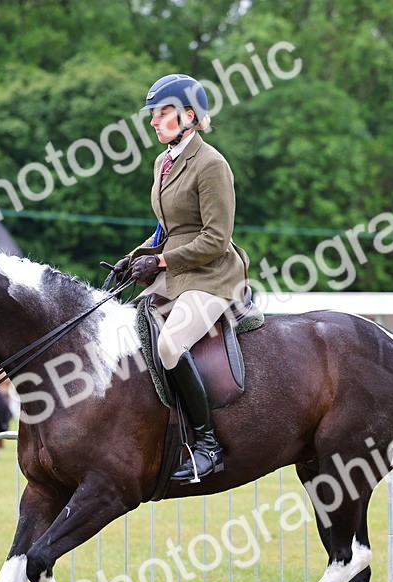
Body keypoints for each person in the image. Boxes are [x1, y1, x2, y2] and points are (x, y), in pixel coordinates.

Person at [111, 73, 250, 482]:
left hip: (212, 275)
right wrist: (134, 257)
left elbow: (215, 238)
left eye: (162, 113)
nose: (154, 122)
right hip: (174, 271)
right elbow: (164, 230)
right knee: (122, 329)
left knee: (170, 346)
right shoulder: (163, 162)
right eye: (153, 115)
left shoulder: (211, 164)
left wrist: (161, 263)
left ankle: (208, 446)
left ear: (190, 116)